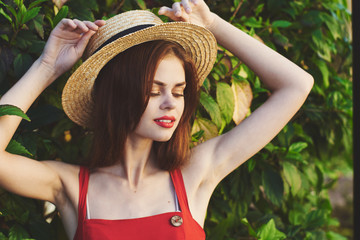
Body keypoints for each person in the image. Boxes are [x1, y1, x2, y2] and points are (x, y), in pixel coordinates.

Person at [0, 0, 314, 239]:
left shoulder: (195, 173)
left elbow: (296, 85)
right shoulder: (70, 186)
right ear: (118, 95)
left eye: (179, 92)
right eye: (153, 91)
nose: (170, 105)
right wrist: (47, 66)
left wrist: (212, 24)